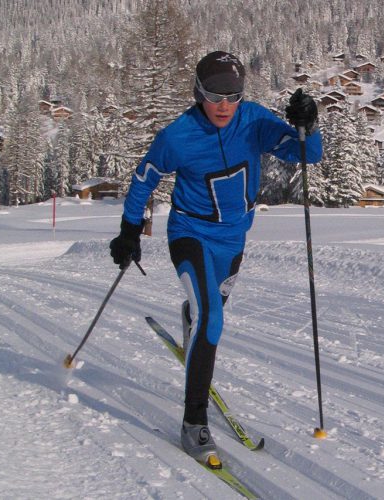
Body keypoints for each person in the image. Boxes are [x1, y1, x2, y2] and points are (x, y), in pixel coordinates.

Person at [109, 51, 321, 467]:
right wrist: (129, 229)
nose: (224, 105)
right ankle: (194, 422)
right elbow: (144, 179)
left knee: (209, 310)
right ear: (198, 93)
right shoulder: (178, 136)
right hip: (189, 233)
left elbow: (306, 154)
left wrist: (307, 126)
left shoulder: (253, 121)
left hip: (233, 239)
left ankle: (193, 318)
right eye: (214, 96)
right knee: (213, 318)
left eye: (233, 96)